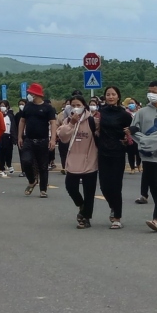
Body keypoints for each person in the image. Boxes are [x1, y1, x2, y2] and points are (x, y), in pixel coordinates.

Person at [128, 81, 157, 232]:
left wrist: (146, 140)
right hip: (147, 156)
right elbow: (133, 132)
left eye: (154, 91)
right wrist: (144, 142)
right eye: (149, 91)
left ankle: (155, 219)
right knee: (153, 187)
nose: (151, 94)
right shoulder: (141, 113)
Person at [93, 85, 133, 228]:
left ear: (118, 96)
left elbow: (131, 133)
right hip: (103, 152)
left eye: (113, 94)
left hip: (118, 152)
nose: (110, 97)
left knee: (116, 186)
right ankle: (112, 206)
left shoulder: (124, 115)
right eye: (108, 94)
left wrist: (126, 139)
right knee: (104, 186)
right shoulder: (100, 113)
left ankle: (117, 217)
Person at [57, 95, 99, 228]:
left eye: (78, 105)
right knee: (70, 186)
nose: (76, 108)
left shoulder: (92, 121)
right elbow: (63, 137)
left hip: (89, 159)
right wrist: (71, 123)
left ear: (84, 106)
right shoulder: (67, 121)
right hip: (73, 160)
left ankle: (86, 217)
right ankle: (81, 205)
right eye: (73, 105)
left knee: (89, 192)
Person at [17, 83, 57, 198]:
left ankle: (43, 189)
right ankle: (32, 180)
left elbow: (53, 123)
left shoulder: (47, 108)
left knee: (43, 166)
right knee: (26, 161)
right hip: (29, 140)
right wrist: (20, 136)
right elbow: (22, 121)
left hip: (43, 140)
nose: (29, 95)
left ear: (37, 94)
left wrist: (53, 139)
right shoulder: (28, 106)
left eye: (31, 93)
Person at [123, 97, 143, 175]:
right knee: (130, 152)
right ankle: (132, 168)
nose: (131, 105)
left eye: (132, 103)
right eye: (129, 103)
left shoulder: (140, 113)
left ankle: (139, 165)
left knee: (139, 152)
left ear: (137, 104)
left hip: (139, 135)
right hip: (129, 135)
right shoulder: (126, 113)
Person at [0, 98, 15, 177]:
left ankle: (9, 164)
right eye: (1, 106)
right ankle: (2, 168)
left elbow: (13, 127)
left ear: (7, 107)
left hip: (8, 136)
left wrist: (14, 138)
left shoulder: (10, 116)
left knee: (8, 152)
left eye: (3, 106)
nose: (2, 107)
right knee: (0, 153)